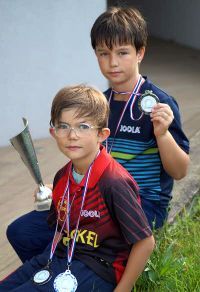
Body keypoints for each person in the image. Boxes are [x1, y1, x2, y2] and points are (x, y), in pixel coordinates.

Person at [6, 6, 190, 263]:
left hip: (142, 205)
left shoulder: (159, 103)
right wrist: (61, 189)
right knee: (22, 231)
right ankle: (55, 275)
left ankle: (80, 274)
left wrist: (162, 134)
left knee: (84, 237)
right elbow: (87, 161)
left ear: (140, 53)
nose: (112, 62)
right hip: (95, 198)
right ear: (96, 55)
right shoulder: (97, 105)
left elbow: (180, 171)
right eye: (104, 53)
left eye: (122, 53)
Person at [0, 84, 155, 291]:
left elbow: (146, 242)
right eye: (63, 126)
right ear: (53, 132)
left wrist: (123, 289)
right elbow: (59, 229)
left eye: (83, 126)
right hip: (62, 256)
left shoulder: (113, 182)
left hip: (99, 267)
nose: (72, 135)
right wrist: (44, 263)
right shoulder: (62, 177)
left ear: (102, 134)